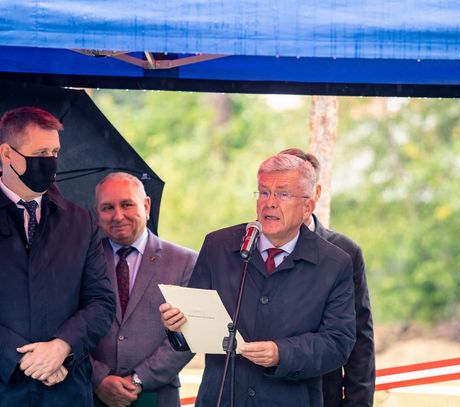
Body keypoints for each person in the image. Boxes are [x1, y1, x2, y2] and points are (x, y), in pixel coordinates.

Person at [160, 153, 356, 406]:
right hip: (221, 399)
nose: (270, 203)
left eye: (283, 194)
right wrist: (177, 326)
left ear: (307, 207)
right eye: (264, 192)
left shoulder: (334, 263)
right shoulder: (218, 245)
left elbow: (338, 343)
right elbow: (195, 324)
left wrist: (281, 353)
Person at [0, 106, 116, 406]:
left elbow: (101, 302)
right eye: (40, 153)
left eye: (54, 152)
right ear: (7, 154)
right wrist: (24, 359)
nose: (50, 162)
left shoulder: (81, 221)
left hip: (66, 389)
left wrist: (62, 347)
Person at [92, 172, 198, 407]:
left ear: (146, 205)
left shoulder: (185, 261)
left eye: (127, 204)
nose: (118, 216)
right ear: (97, 213)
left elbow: (190, 335)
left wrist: (138, 379)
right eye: (107, 208)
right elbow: (66, 324)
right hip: (91, 395)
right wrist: (98, 378)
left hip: (157, 395)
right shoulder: (82, 259)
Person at [279, 148, 375, 407]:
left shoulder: (345, 252)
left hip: (321, 396)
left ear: (315, 194)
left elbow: (360, 340)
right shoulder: (248, 246)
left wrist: (358, 403)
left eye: (287, 192)